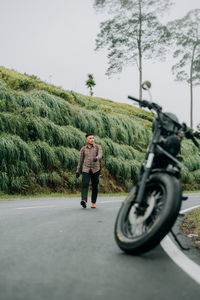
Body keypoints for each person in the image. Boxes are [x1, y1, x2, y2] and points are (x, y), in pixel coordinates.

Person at [76, 133, 102, 209]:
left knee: (95, 186)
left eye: (93, 138)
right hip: (86, 169)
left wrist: (96, 158)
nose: (92, 139)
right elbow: (80, 161)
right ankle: (84, 201)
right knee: (85, 185)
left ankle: (93, 202)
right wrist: (78, 171)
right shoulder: (83, 149)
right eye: (90, 138)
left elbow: (100, 155)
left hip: (96, 169)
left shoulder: (98, 147)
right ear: (86, 140)